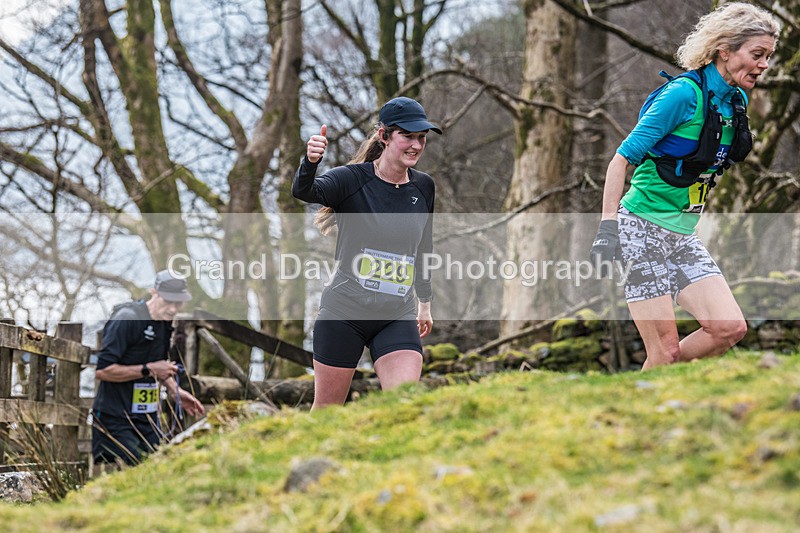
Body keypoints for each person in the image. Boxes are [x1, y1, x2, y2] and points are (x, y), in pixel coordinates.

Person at [591, 3, 780, 370]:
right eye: (757, 55)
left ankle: (649, 392)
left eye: (769, 56)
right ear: (725, 50)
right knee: (665, 351)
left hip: (682, 235)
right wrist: (607, 226)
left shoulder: (736, 100)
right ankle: (641, 413)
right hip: (640, 230)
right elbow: (620, 160)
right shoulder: (681, 96)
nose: (764, 65)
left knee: (728, 327)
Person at [292, 96, 441, 409]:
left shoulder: (424, 187)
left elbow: (423, 245)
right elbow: (305, 192)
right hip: (345, 312)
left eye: (421, 138)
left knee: (404, 407)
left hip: (396, 314)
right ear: (384, 136)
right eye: (408, 136)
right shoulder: (352, 180)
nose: (416, 145)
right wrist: (311, 162)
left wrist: (424, 302)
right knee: (327, 414)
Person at [91, 270, 205, 467]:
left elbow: (158, 364)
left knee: (160, 466)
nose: (172, 309)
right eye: (168, 301)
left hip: (147, 418)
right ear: (154, 292)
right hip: (116, 417)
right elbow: (103, 370)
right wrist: (148, 369)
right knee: (143, 465)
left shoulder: (164, 324)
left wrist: (175, 391)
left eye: (178, 303)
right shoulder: (127, 318)